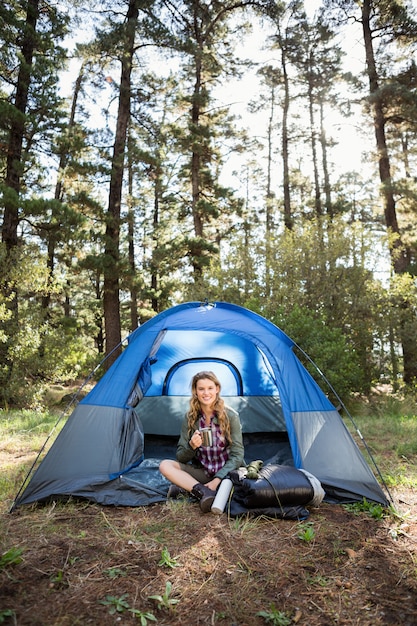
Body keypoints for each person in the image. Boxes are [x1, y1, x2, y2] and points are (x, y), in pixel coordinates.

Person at [159, 371, 245, 513]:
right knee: (165, 465)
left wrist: (218, 479)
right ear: (195, 391)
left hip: (227, 473)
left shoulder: (231, 416)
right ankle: (205, 492)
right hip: (204, 472)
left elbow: (237, 455)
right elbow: (181, 457)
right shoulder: (190, 418)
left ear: (217, 389)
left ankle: (192, 489)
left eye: (210, 388)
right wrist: (191, 446)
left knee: (235, 490)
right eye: (201, 389)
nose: (206, 393)